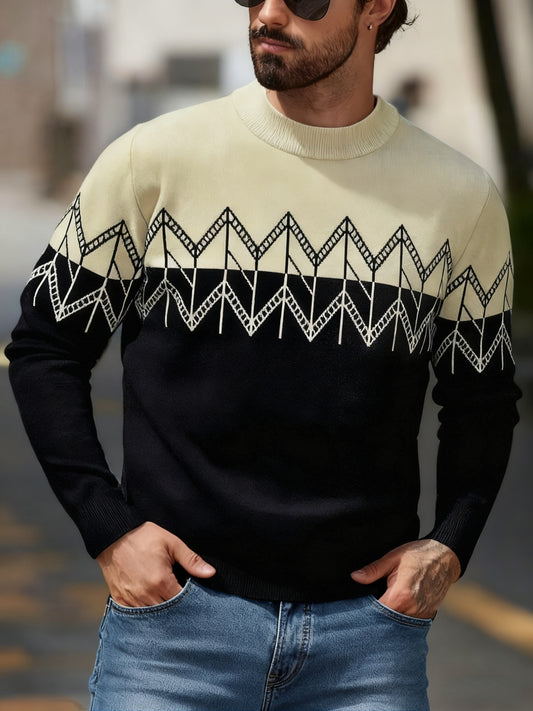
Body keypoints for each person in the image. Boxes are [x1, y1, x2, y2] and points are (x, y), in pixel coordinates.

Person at [6, 1, 521, 709]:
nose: (268, 14)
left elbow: (482, 398)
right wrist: (109, 529)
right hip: (171, 639)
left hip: (366, 652)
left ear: (377, 8)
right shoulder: (153, 159)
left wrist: (451, 544)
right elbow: (46, 345)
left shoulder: (459, 197)